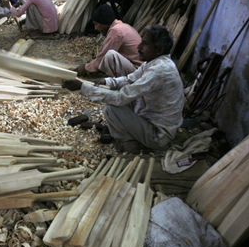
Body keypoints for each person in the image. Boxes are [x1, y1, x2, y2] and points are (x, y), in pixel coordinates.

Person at [62, 25, 185, 154]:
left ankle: (129, 141)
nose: (139, 47)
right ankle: (129, 133)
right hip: (148, 115)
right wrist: (105, 81)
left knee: (112, 108)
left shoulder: (159, 71)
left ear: (159, 50)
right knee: (123, 101)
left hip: (158, 135)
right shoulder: (153, 62)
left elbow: (120, 98)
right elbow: (130, 79)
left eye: (145, 44)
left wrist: (82, 87)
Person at [75, 4, 142, 78]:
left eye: (96, 24)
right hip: (134, 67)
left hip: (137, 71)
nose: (95, 28)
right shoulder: (121, 26)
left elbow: (103, 57)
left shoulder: (116, 31)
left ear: (105, 23)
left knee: (110, 55)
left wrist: (85, 68)